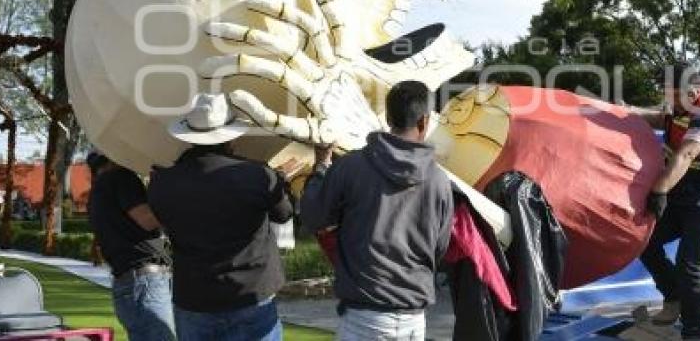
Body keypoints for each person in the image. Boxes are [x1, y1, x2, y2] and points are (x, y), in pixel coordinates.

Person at [301, 80, 454, 341]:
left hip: (364, 319)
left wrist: (320, 168)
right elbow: (440, 248)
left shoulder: (350, 167)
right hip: (413, 320)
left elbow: (314, 216)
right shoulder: (440, 182)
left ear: (387, 118)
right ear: (424, 122)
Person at [148, 93, 294, 341]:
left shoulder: (162, 182)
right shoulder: (259, 175)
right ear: (230, 136)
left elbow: (163, 221)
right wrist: (280, 182)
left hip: (194, 298)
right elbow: (284, 215)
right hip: (251, 294)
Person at [629, 63, 700, 340]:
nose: (671, 99)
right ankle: (674, 296)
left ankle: (694, 331)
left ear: (694, 90)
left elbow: (686, 156)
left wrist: (659, 190)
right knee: (643, 239)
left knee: (689, 261)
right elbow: (658, 118)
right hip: (683, 191)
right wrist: (623, 112)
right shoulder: (679, 106)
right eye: (668, 93)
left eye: (675, 94)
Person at [86, 151, 175, 341]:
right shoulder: (121, 178)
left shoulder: (97, 192)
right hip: (145, 280)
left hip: (128, 280)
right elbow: (147, 220)